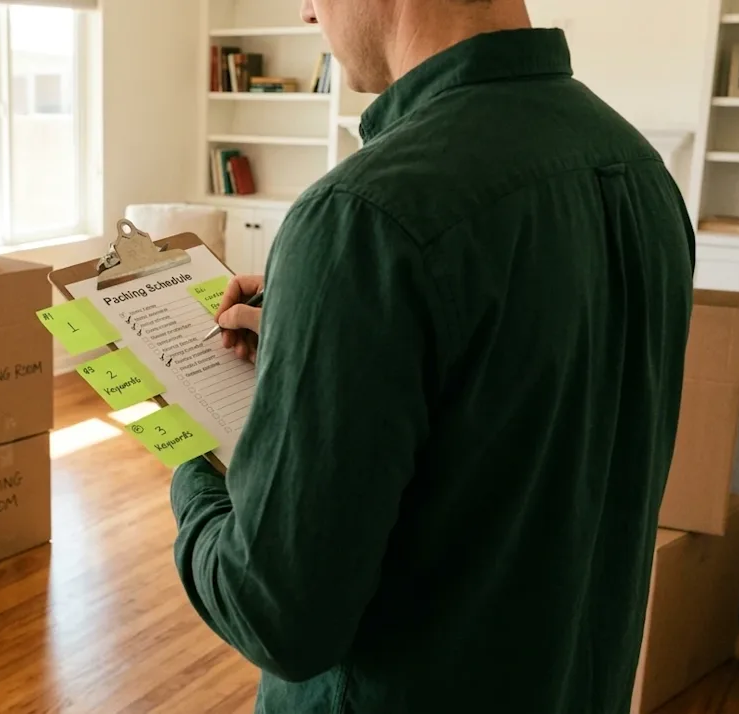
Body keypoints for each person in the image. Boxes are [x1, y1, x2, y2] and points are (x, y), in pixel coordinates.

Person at [170, 1, 695, 713]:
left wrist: (191, 458)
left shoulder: (363, 212)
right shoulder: (641, 170)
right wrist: (319, 324)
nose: (305, 11)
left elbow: (275, 615)